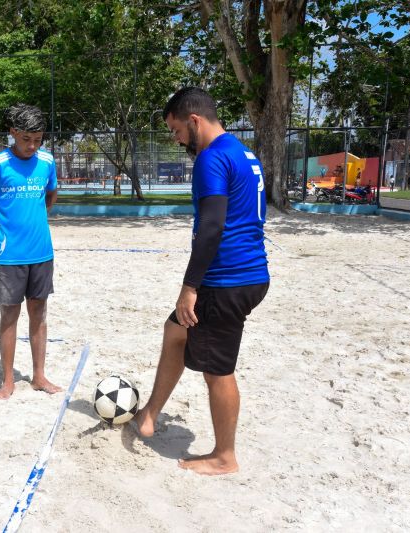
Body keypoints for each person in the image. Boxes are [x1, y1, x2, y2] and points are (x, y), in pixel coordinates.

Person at [133, 87, 270, 475]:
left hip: (227, 281)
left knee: (217, 370)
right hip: (246, 274)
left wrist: (189, 287)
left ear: (194, 120)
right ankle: (150, 414)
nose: (176, 140)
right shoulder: (243, 153)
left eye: (176, 130)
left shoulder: (212, 158)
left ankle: (225, 456)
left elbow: (211, 227)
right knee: (175, 331)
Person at [0, 103, 62, 400]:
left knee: (39, 313)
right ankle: (8, 380)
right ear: (13, 133)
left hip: (41, 252)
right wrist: (1, 226)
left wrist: (34, 220)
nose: (32, 145)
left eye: (38, 139)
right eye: (26, 139)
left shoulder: (47, 161)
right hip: (8, 255)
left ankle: (38, 376)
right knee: (9, 316)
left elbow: (50, 195)